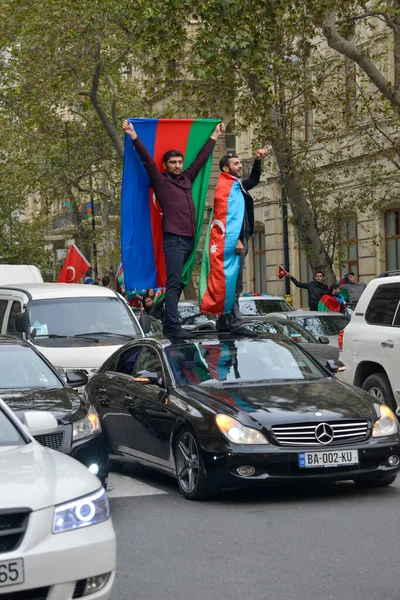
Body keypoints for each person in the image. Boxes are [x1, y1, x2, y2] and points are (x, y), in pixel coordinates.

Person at [122, 119, 225, 338]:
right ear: (166, 165)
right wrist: (133, 135)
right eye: (173, 162)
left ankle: (169, 322)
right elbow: (146, 160)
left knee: (180, 283)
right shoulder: (160, 180)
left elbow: (201, 159)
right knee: (174, 283)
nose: (178, 165)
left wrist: (214, 136)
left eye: (179, 161)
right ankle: (172, 326)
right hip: (174, 239)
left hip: (189, 239)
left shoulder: (187, 177)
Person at [215, 149, 269, 336]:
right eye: (236, 164)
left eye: (240, 163)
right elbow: (226, 216)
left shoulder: (237, 186)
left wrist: (258, 161)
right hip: (233, 241)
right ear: (225, 168)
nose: (240, 166)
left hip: (242, 239)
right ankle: (235, 324)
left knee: (231, 283)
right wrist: (237, 239)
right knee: (234, 284)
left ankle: (223, 322)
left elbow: (253, 180)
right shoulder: (226, 189)